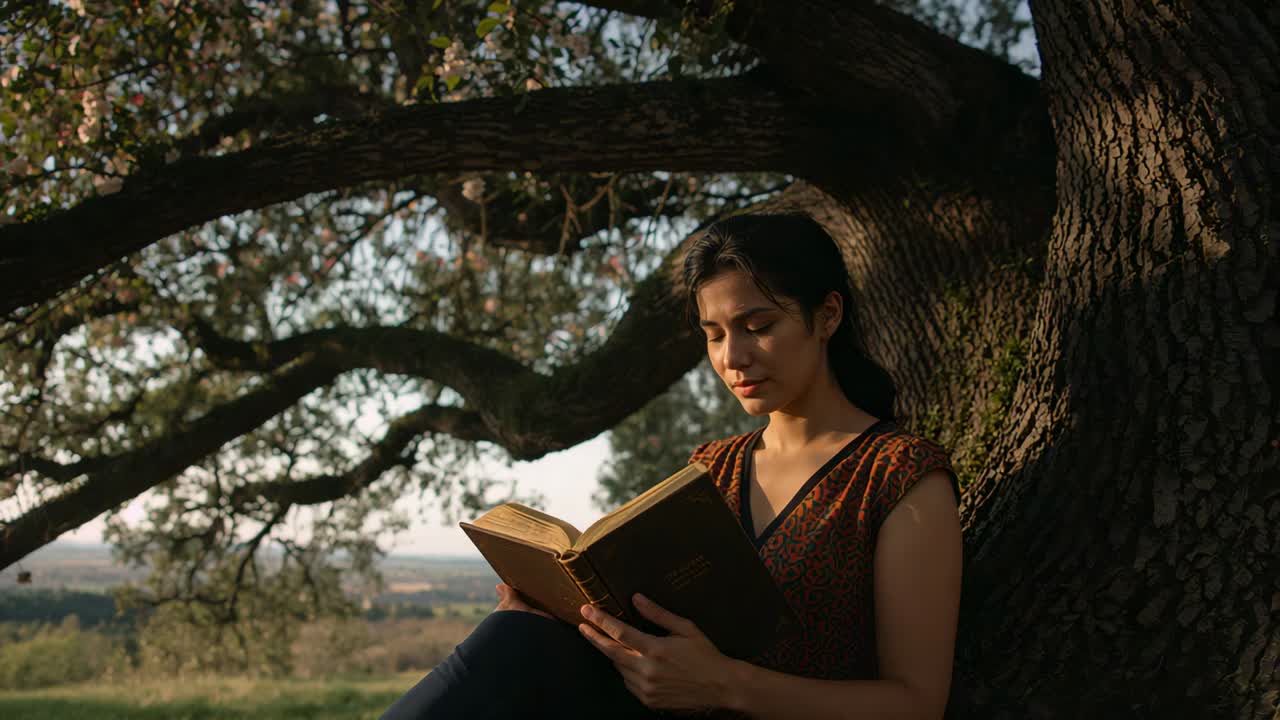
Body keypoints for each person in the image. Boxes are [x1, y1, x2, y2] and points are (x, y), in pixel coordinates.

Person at [380, 212, 963, 720]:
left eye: (759, 327)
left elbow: (915, 704)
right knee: (519, 638)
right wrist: (563, 611)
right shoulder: (710, 468)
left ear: (827, 315)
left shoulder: (900, 476)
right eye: (713, 336)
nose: (732, 358)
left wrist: (726, 685)